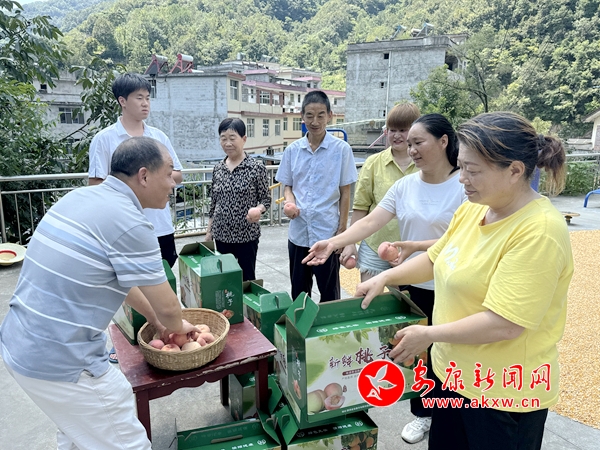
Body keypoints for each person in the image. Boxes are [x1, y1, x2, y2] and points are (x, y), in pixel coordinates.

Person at [356, 112, 573, 450]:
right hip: (454, 377)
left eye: (473, 170)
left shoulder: (539, 231)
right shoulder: (475, 208)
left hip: (503, 392)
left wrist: (428, 335)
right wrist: (386, 276)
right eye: (462, 167)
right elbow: (436, 258)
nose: (462, 179)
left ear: (515, 170)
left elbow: (505, 323)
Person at [0, 137, 199, 450]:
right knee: (126, 440)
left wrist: (154, 320)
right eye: (169, 172)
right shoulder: (131, 223)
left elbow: (122, 281)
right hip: (62, 358)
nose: (174, 182)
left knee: (78, 433)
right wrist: (177, 327)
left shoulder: (79, 198)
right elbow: (171, 310)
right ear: (144, 176)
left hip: (20, 343)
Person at [303, 113, 467, 443]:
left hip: (454, 287)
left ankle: (452, 417)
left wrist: (413, 249)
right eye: (410, 144)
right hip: (414, 284)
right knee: (418, 357)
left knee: (451, 357)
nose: (412, 150)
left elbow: (463, 240)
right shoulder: (406, 186)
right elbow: (370, 221)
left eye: (418, 142)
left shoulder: (464, 186)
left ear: (443, 142)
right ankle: (423, 415)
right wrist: (335, 242)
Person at [88, 72, 183, 363]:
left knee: (159, 282)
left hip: (159, 226)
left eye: (147, 97)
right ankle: (128, 341)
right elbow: (96, 184)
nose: (145, 103)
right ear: (122, 101)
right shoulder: (105, 139)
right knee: (123, 286)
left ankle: (162, 337)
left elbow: (177, 173)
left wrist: (158, 178)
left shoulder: (159, 138)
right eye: (139, 97)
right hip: (122, 230)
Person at [275, 90, 357, 302]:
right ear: (302, 116)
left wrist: (342, 230)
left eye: (321, 115)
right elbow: (287, 186)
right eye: (310, 115)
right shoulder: (292, 150)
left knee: (329, 294)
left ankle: (329, 325)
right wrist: (290, 202)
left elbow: (345, 192)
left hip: (327, 233)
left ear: (330, 115)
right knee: (299, 293)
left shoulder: (341, 150)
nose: (315, 121)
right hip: (298, 234)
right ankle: (302, 324)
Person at [341, 103, 421, 281]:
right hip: (375, 243)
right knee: (368, 295)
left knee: (404, 297)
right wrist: (350, 242)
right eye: (392, 130)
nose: (397, 135)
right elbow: (361, 207)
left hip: (412, 245)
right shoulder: (373, 163)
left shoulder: (425, 164)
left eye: (403, 130)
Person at [205, 118, 271, 281]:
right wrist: (209, 232)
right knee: (225, 281)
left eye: (232, 138)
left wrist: (258, 210)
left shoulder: (256, 168)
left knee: (247, 280)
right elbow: (214, 203)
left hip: (246, 236)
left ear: (244, 139)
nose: (227, 143)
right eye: (223, 138)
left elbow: (266, 200)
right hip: (221, 235)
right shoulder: (218, 169)